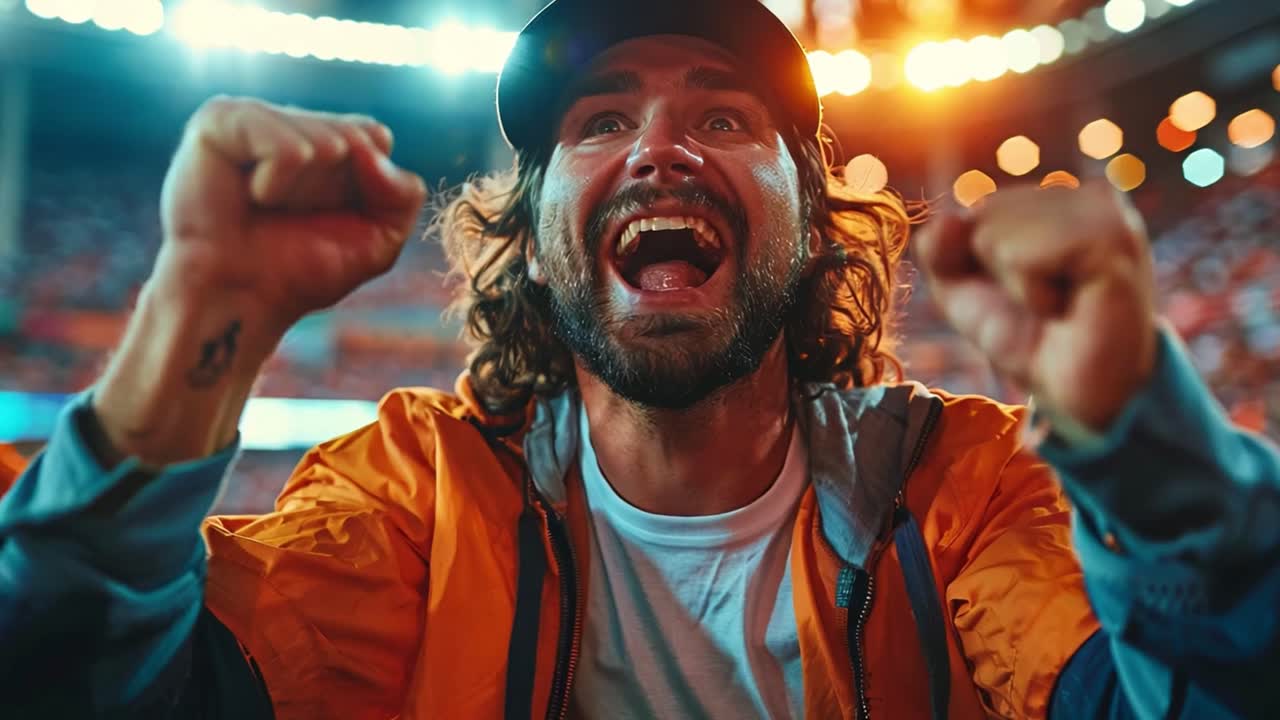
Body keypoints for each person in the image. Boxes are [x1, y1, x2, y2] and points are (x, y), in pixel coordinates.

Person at [1, 0, 1277, 717]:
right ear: (532, 239)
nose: (660, 150)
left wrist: (1154, 463)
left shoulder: (961, 489)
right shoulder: (414, 500)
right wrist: (188, 331)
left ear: (811, 219)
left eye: (722, 114)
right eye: (601, 118)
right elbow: (90, 688)